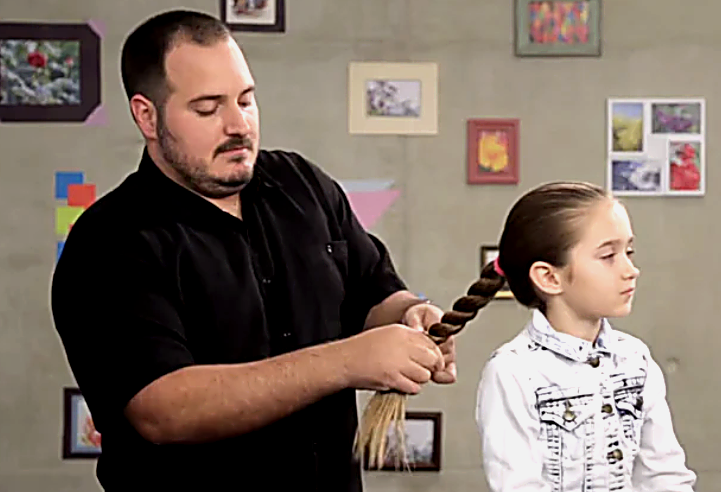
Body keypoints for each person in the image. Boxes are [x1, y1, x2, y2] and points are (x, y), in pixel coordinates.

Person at [50, 9, 456, 491]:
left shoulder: (303, 185)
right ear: (147, 116)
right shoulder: (110, 242)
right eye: (208, 109)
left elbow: (372, 295)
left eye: (245, 100)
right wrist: (347, 361)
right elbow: (164, 409)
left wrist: (410, 316)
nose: (238, 125)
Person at [459, 182, 697, 490]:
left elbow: (665, 476)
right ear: (549, 277)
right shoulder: (513, 372)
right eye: (608, 256)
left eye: (629, 252)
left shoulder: (635, 359)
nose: (631, 270)